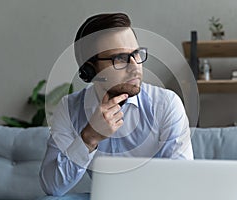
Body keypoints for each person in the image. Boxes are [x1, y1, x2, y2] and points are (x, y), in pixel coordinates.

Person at [39, 12, 193, 197]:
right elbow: (52, 187)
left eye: (136, 54)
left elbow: (180, 183)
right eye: (120, 58)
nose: (135, 66)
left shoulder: (166, 104)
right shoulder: (70, 108)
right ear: (89, 69)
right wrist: (89, 139)